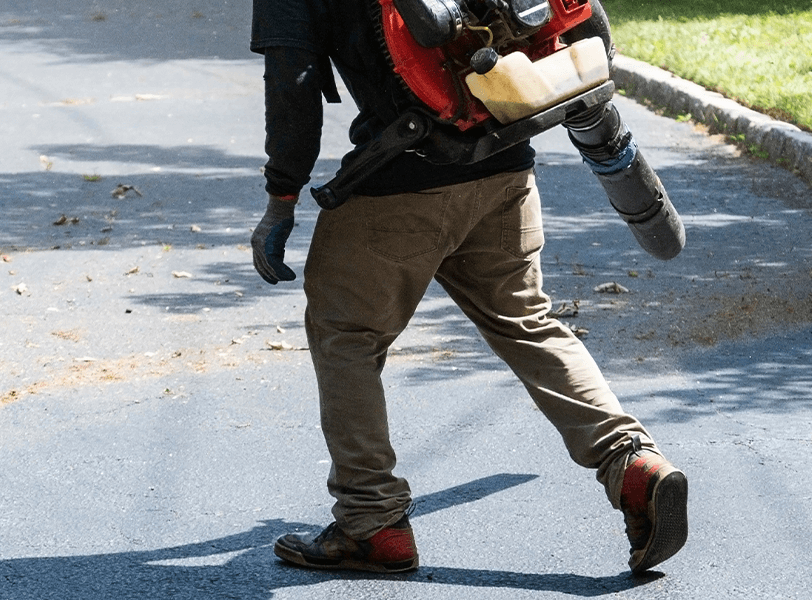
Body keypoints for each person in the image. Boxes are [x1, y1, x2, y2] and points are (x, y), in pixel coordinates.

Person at [249, 0, 688, 575]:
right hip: (503, 170)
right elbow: (584, 30)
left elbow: (293, 84)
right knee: (527, 321)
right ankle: (630, 462)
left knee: (347, 336)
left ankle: (370, 521)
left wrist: (281, 196)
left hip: (397, 183)